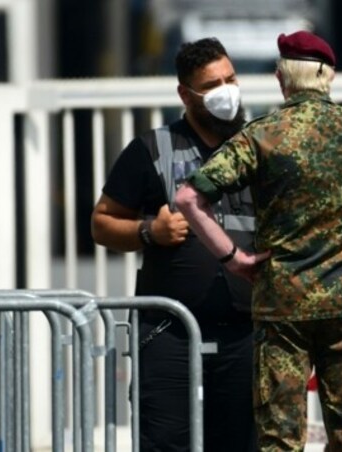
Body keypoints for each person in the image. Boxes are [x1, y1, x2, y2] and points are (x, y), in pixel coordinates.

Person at [174, 27, 342, 451]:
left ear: (281, 79)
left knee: (280, 439)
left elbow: (188, 198)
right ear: (328, 78)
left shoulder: (261, 135)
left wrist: (233, 257)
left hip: (281, 304)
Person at [91, 37, 256, 452]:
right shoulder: (152, 150)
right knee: (164, 442)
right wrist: (150, 231)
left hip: (247, 334)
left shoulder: (261, 145)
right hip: (168, 335)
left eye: (231, 79)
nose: (227, 92)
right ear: (185, 94)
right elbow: (102, 223)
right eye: (213, 84)